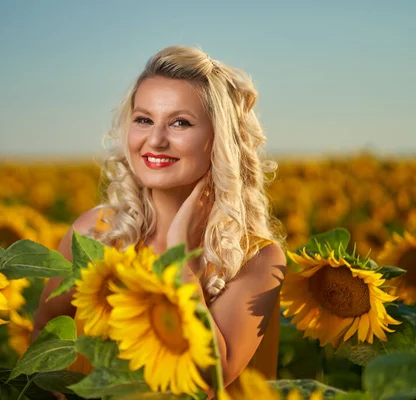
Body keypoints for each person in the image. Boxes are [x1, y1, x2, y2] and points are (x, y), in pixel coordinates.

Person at [33, 45, 287, 391]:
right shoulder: (95, 233)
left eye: (180, 123)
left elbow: (212, 376)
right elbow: (44, 338)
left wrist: (179, 256)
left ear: (219, 139)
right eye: (144, 120)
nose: (155, 140)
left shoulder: (255, 258)